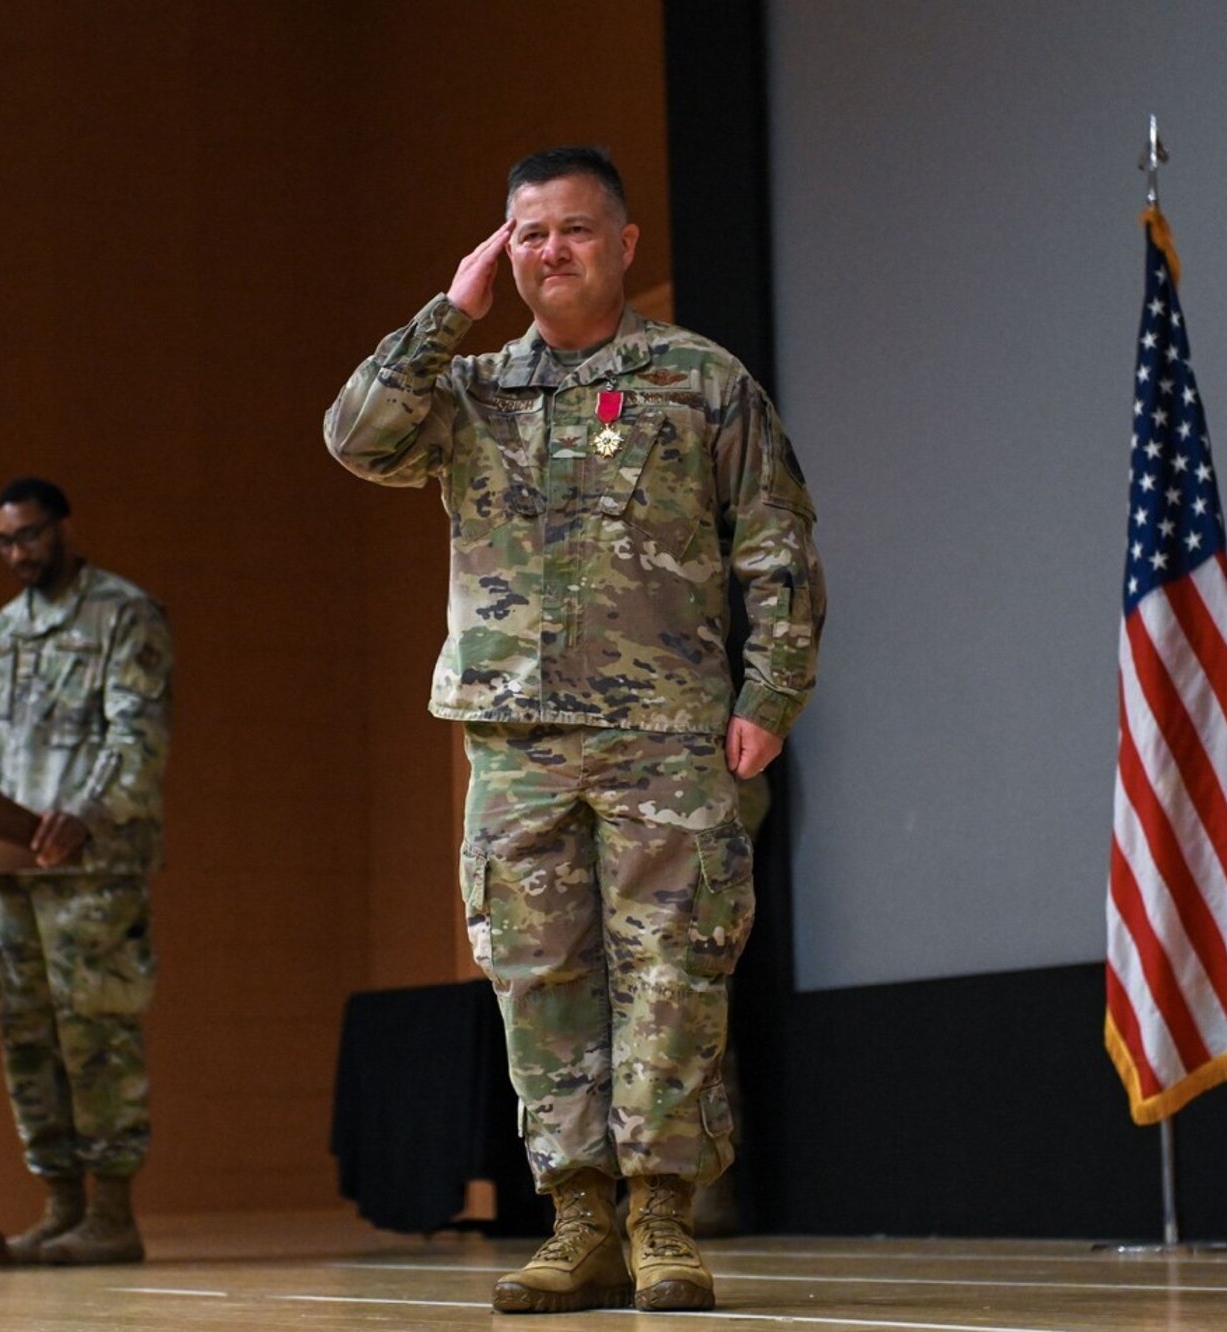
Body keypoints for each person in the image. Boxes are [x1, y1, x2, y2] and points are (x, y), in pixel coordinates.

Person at [324, 146, 823, 1314]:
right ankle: (578, 1220)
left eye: (575, 231)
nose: (553, 253)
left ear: (624, 244)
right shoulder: (469, 391)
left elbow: (776, 546)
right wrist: (447, 315)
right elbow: (353, 437)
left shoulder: (701, 382)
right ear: (505, 248)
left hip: (665, 735)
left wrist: (767, 700)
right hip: (514, 742)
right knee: (538, 983)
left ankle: (661, 1219)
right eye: (530, 234)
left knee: (674, 978)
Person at [0, 476, 174, 1266]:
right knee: (27, 1042)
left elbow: (137, 739)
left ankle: (112, 1214)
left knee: (94, 1035)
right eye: (3, 543)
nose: (18, 554)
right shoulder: (0, 633)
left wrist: (87, 814)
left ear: (64, 528)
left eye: (30, 536)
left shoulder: (123, 613)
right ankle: (62, 1203)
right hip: (9, 874)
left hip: (91, 873)